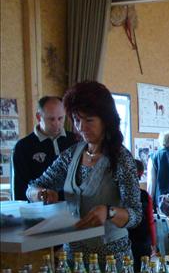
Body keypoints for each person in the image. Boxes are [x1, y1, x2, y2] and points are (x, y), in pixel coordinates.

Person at [26, 81, 142, 260]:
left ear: (105, 121)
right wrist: (41, 194)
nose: (81, 127)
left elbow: (136, 215)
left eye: (89, 120)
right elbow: (32, 187)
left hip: (111, 257)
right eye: (77, 120)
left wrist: (109, 212)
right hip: (73, 256)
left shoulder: (121, 159)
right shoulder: (71, 155)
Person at [12, 96, 76, 201]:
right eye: (51, 119)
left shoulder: (75, 141)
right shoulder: (23, 146)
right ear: (38, 117)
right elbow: (20, 188)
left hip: (73, 205)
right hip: (38, 205)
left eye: (60, 118)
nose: (56, 123)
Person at [129, 159, 157, 272]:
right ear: (140, 175)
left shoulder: (117, 194)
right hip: (142, 240)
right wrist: (153, 243)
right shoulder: (144, 195)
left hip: (126, 240)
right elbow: (150, 221)